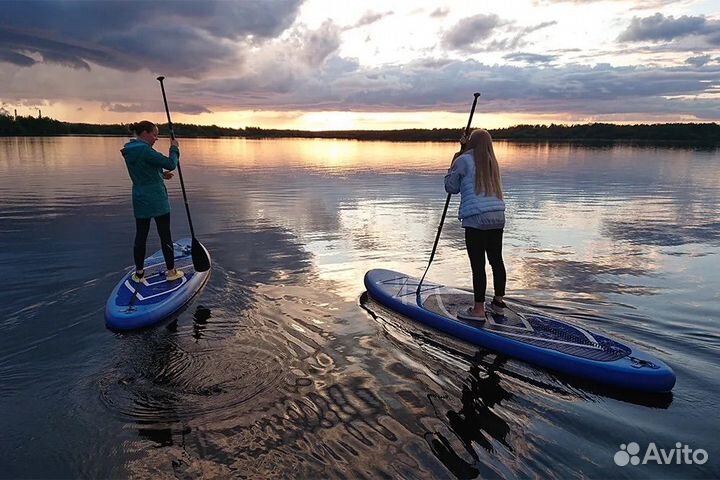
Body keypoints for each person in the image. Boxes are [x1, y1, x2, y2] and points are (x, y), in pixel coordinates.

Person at [444, 129, 506, 321]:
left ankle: (478, 310)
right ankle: (498, 302)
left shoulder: (463, 160)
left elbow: (451, 187)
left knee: (478, 264)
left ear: (471, 142)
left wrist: (456, 156)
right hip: (497, 217)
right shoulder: (491, 162)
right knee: (496, 260)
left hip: (476, 219)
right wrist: (463, 149)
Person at [121, 120, 184, 283]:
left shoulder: (129, 150)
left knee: (141, 236)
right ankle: (171, 272)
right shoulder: (146, 151)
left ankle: (139, 273)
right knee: (165, 236)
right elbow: (171, 163)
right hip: (157, 200)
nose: (156, 138)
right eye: (154, 134)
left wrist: (161, 175)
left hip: (140, 199)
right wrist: (174, 148)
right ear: (144, 133)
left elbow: (142, 170)